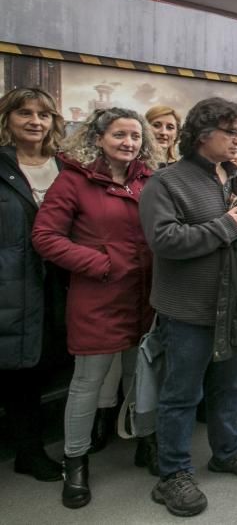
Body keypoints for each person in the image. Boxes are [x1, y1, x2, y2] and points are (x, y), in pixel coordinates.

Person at [139, 98, 237, 518]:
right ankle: (173, 474)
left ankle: (227, 450)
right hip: (190, 311)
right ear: (204, 136)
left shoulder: (235, 178)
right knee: (182, 395)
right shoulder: (166, 182)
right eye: (231, 132)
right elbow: (163, 240)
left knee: (230, 388)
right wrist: (227, 226)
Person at [32, 107, 156, 508]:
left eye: (135, 136)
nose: (129, 143)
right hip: (98, 298)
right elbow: (46, 237)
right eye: (120, 135)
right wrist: (101, 264)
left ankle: (145, 441)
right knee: (87, 385)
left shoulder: (148, 180)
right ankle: (75, 460)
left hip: (145, 298)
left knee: (142, 378)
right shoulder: (74, 181)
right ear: (99, 138)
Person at [0, 87, 66, 482]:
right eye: (23, 112)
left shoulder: (65, 166)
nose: (34, 121)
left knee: (46, 361)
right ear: (7, 118)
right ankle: (29, 450)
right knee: (18, 369)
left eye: (42, 115)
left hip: (57, 282)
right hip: (11, 281)